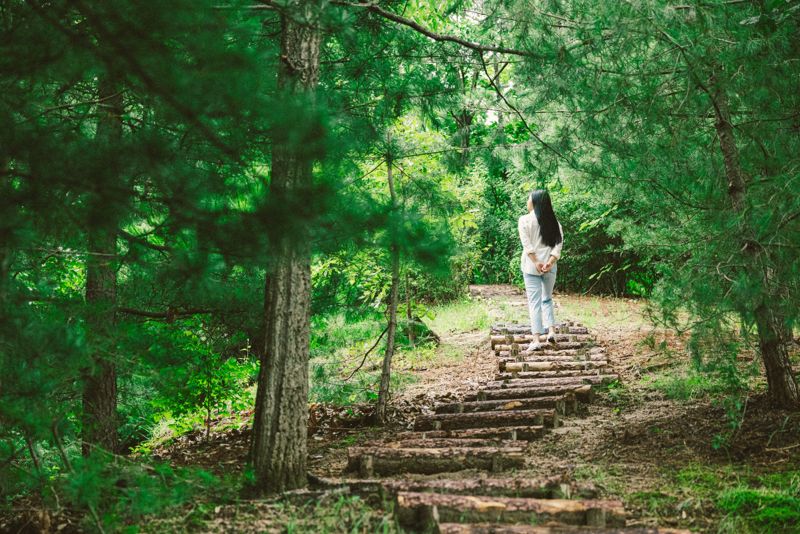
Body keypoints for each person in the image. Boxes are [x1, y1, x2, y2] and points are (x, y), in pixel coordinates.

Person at [518, 189, 563, 352]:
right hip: (550, 267)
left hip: (531, 267)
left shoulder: (524, 220)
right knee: (547, 299)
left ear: (535, 202)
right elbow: (559, 243)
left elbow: (526, 244)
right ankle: (551, 331)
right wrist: (550, 261)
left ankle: (536, 340)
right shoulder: (554, 221)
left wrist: (536, 262)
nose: (527, 201)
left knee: (534, 303)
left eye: (529, 198)